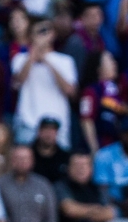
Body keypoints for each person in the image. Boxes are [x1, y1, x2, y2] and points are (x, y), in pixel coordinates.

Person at [10, 18, 78, 148]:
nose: (42, 35)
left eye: (45, 31)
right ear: (31, 35)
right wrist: (34, 54)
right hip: (28, 123)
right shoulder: (20, 59)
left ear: (53, 34)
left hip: (58, 125)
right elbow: (18, 81)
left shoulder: (65, 61)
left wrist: (46, 60)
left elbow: (69, 90)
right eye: (39, 31)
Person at [56, 153, 128, 222]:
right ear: (68, 168)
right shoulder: (61, 186)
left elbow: (110, 213)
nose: (81, 169)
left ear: (91, 168)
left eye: (84, 165)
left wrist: (82, 212)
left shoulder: (98, 188)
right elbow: (69, 209)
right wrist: (96, 210)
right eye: (77, 165)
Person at [0, 145, 57, 222]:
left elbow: (51, 218)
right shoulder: (1, 184)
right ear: (12, 161)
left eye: (26, 158)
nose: (22, 162)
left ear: (32, 161)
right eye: (18, 158)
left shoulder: (43, 185)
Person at [79, 50, 124, 154]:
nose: (114, 63)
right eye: (109, 60)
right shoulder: (90, 91)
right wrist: (94, 150)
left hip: (114, 146)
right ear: (99, 68)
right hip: (99, 145)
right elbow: (86, 120)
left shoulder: (116, 90)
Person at [31, 117, 70, 184]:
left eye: (52, 130)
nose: (48, 134)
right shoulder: (29, 154)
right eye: (45, 129)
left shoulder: (65, 157)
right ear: (39, 132)